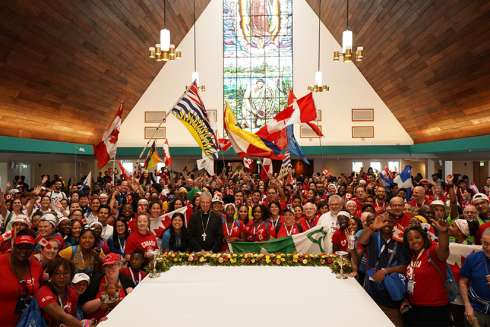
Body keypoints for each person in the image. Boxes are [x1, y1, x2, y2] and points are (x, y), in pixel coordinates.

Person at [358, 214, 409, 327]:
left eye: (390, 222)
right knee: (370, 318)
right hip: (371, 286)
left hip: (390, 289)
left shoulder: (400, 240)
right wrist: (372, 227)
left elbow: (406, 266)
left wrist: (386, 271)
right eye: (384, 221)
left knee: (393, 320)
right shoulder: (373, 235)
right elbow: (361, 242)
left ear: (395, 223)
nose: (386, 224)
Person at [401, 221, 450, 326]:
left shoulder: (432, 252)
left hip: (434, 309)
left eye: (417, 237)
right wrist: (406, 299)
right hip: (414, 307)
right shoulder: (412, 257)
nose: (414, 241)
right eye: (410, 239)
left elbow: (443, 248)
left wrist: (443, 233)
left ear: (423, 238)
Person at [0, 231, 43, 326]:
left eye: (28, 247)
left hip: (27, 321)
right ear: (13, 245)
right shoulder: (1, 262)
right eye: (20, 246)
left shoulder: (36, 266)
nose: (23, 251)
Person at [36, 257, 94, 326]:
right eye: (57, 273)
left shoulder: (73, 293)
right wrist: (82, 325)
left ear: (71, 276)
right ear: (51, 276)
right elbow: (61, 316)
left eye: (65, 273)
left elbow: (71, 319)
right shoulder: (43, 291)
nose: (61, 277)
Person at [459, 228, 490, 327]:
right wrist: (467, 306)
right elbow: (462, 282)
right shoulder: (472, 258)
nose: (488, 248)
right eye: (485, 243)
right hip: (476, 310)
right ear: (481, 241)